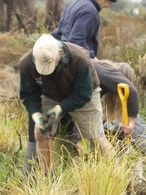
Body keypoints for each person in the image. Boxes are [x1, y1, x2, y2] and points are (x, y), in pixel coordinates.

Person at [19, 34, 113, 171]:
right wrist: (36, 116)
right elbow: (28, 95)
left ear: (59, 53)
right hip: (51, 95)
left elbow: (83, 94)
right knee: (41, 132)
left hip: (83, 95)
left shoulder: (79, 59)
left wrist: (59, 109)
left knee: (96, 137)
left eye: (50, 64)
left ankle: (115, 173)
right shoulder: (26, 63)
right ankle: (46, 177)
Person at [52, 0, 123, 59]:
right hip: (75, 61)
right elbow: (76, 41)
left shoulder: (74, 3)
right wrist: (93, 58)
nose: (108, 6)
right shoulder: (91, 12)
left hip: (62, 55)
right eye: (109, 2)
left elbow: (58, 32)